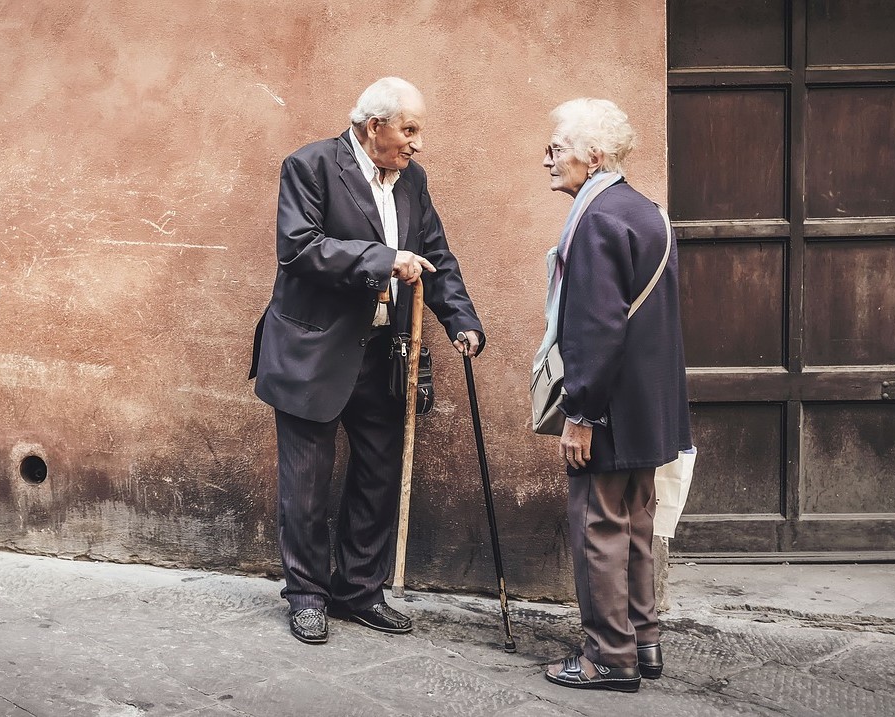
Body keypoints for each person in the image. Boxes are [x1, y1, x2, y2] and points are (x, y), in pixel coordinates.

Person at [249, 77, 484, 645]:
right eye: (409, 129)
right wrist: (383, 259)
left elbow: (435, 255)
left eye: (418, 131)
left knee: (378, 477)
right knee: (305, 485)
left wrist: (462, 320)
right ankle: (306, 594)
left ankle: (359, 590)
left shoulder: (413, 181)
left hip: (384, 354)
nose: (417, 143)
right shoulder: (309, 166)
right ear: (373, 125)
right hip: (313, 352)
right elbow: (300, 248)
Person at [536, 98, 692, 692]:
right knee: (635, 524)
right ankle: (644, 642)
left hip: (608, 409)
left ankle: (608, 657)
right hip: (647, 407)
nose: (547, 157)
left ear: (593, 155)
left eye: (558, 147)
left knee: (600, 526)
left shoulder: (596, 216)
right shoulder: (646, 210)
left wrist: (581, 413)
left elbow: (597, 327)